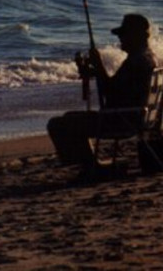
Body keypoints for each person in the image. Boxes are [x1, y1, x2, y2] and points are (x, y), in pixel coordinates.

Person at [47, 13, 157, 168]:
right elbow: (118, 87)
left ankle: (88, 167)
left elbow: (110, 92)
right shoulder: (146, 57)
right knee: (69, 117)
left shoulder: (135, 62)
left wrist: (98, 65)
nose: (120, 38)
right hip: (133, 116)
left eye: (123, 34)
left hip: (121, 120)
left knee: (57, 124)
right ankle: (88, 165)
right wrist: (95, 72)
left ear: (135, 35)